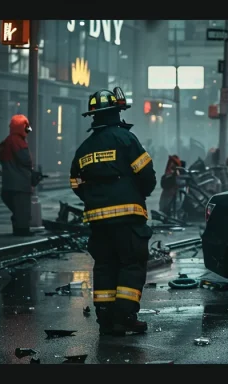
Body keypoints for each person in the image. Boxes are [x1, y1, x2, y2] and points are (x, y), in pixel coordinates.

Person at [69, 88, 157, 336]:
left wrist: (92, 198)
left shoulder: (84, 149)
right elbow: (147, 175)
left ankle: (106, 319)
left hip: (98, 220)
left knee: (105, 265)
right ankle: (125, 317)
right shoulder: (126, 139)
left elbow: (75, 182)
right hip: (128, 217)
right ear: (117, 112)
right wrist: (136, 193)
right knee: (131, 264)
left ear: (94, 117)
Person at [0, 115, 35, 236]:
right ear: (21, 127)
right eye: (26, 127)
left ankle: (18, 229)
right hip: (21, 183)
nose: (28, 130)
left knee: (18, 209)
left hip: (9, 182)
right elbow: (26, 160)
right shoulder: (18, 141)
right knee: (23, 209)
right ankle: (22, 231)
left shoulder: (7, 141)